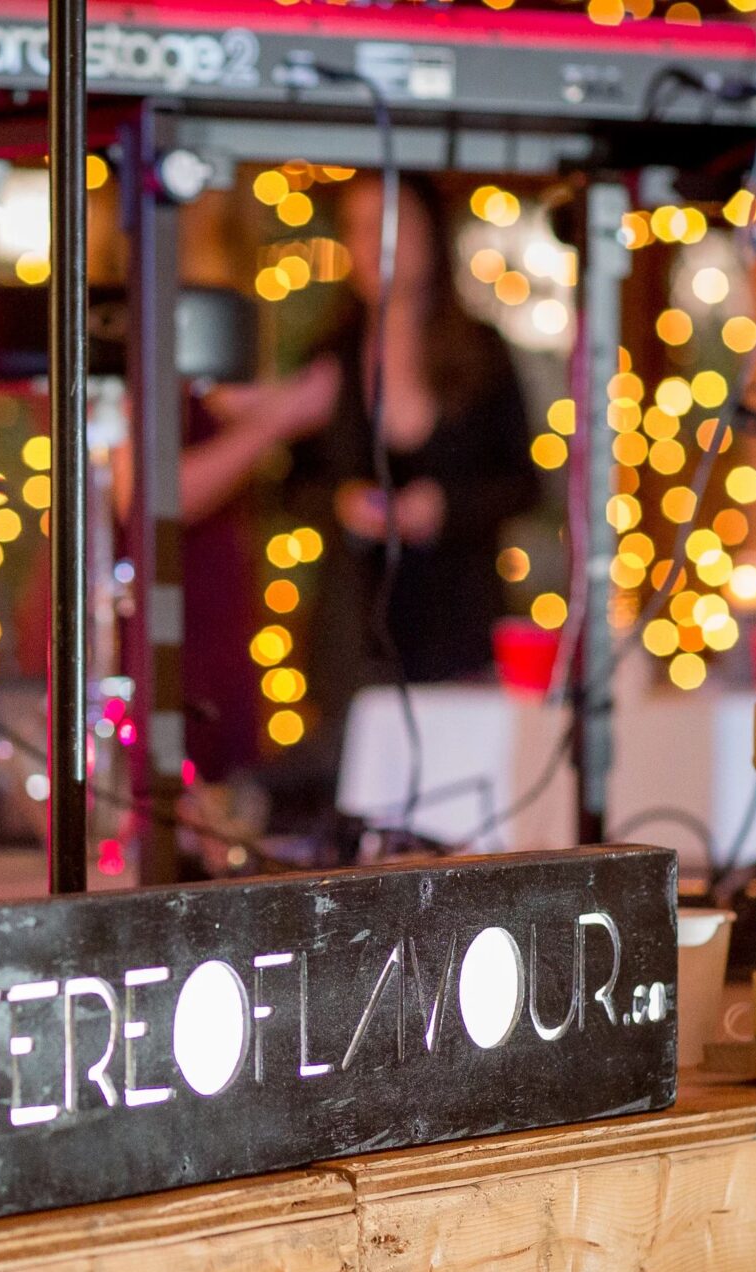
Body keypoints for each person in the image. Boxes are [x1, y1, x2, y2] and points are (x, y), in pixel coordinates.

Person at [186, 171, 543, 823]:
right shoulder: (332, 358)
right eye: (358, 228)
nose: (374, 244)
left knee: (460, 795)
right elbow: (292, 487)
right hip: (356, 621)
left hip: (458, 617)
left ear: (429, 234)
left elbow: (524, 482)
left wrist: (443, 508)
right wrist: (345, 504)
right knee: (355, 790)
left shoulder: (481, 352)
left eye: (390, 224)